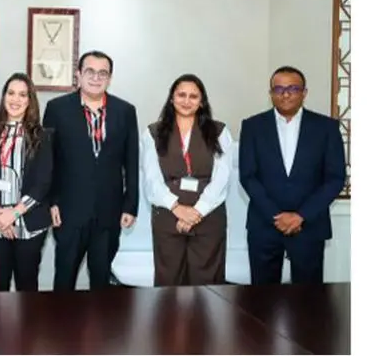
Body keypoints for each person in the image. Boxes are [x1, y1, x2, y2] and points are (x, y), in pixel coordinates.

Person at [239, 66, 346, 285]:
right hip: (265, 225)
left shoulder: (326, 127)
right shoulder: (252, 126)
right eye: (278, 89)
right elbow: (248, 176)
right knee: (262, 298)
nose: (285, 94)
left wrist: (301, 215)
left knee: (308, 298)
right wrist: (275, 215)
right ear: (271, 93)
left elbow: (335, 177)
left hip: (309, 225)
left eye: (293, 88)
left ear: (304, 92)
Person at [43, 50, 139, 291]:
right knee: (64, 280)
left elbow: (132, 161)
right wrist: (51, 202)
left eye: (103, 73)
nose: (96, 78)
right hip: (69, 213)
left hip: (109, 212)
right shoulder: (57, 108)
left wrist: (130, 204)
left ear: (110, 78)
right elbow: (47, 160)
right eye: (90, 71)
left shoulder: (125, 111)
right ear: (78, 74)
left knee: (102, 283)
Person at [141, 74, 233, 286]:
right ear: (171, 98)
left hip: (208, 217)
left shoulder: (219, 131)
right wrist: (176, 208)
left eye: (193, 96)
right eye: (181, 95)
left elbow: (222, 178)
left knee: (207, 282)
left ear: (202, 102)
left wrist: (197, 211)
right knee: (169, 279)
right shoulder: (153, 133)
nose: (186, 101)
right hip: (167, 216)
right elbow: (152, 179)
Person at [0, 72, 53, 292]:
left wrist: (13, 214)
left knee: (26, 287)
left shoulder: (42, 136)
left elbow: (43, 182)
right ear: (4, 97)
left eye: (22, 94)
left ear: (30, 100)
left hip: (29, 223)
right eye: (11, 93)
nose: (15, 99)